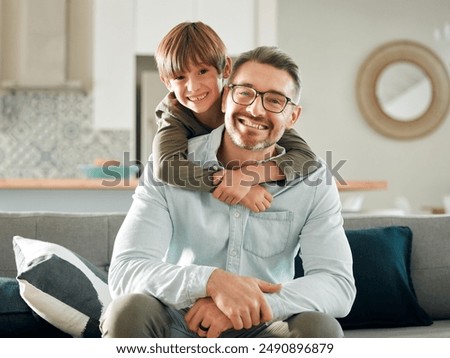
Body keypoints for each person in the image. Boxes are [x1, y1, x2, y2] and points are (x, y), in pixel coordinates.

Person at [101, 46, 356, 338]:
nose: (255, 110)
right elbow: (126, 271)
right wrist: (211, 282)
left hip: (264, 325)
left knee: (320, 328)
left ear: (293, 117)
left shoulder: (313, 179)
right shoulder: (171, 166)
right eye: (245, 93)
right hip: (179, 321)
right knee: (127, 310)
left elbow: (337, 284)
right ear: (225, 98)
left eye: (274, 100)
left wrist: (248, 304)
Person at [151, 21, 317, 213]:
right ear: (166, 82)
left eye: (202, 71)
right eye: (180, 77)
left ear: (226, 68)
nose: (193, 87)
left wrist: (247, 177)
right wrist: (234, 186)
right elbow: (166, 167)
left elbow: (306, 158)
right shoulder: (173, 115)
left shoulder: (242, 104)